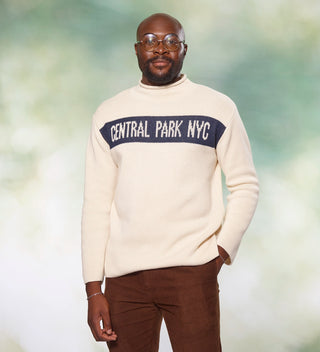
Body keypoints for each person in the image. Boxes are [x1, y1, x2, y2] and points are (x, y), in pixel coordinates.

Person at [81, 13, 259, 352]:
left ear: (184, 49)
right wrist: (93, 288)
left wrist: (219, 253)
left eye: (170, 41)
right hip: (124, 280)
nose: (160, 49)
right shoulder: (109, 114)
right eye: (149, 41)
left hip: (192, 272)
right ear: (136, 50)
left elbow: (245, 185)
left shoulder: (218, 108)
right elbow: (96, 204)